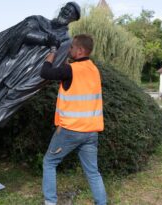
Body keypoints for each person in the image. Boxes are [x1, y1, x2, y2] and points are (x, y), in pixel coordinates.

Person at [0, 2, 81, 147]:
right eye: (66, 8)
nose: (66, 12)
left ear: (74, 18)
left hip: (28, 76)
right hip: (10, 64)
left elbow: (54, 65)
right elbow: (20, 33)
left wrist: (34, 84)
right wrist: (46, 39)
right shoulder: (38, 20)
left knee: (4, 107)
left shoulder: (66, 41)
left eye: (70, 12)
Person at [41, 34, 107, 205]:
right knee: (93, 172)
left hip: (70, 130)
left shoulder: (71, 70)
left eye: (71, 47)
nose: (69, 50)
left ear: (79, 50)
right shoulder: (94, 70)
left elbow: (45, 72)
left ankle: (50, 202)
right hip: (91, 132)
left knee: (49, 162)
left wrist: (53, 50)